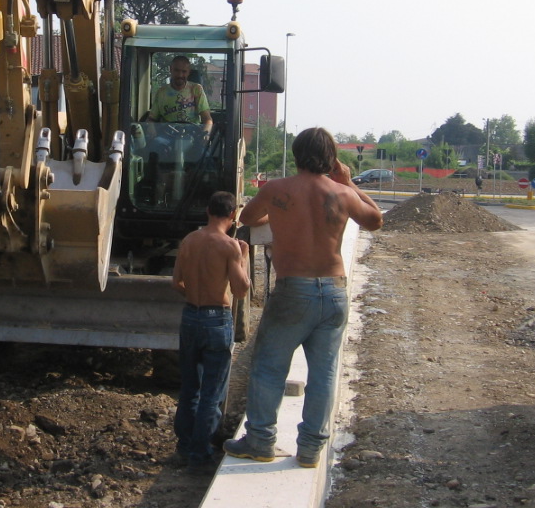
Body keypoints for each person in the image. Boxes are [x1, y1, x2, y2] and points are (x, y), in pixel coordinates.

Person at [223, 127, 383, 468]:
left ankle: (261, 440)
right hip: (333, 290)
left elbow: (248, 217)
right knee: (323, 372)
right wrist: (350, 182)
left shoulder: (278, 189)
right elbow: (375, 221)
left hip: (294, 290)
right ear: (331, 159)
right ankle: (310, 450)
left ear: (296, 154)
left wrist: (279, 217)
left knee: (268, 366)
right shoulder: (341, 193)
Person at [171, 190, 251, 471]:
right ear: (233, 215)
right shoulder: (229, 246)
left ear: (207, 211)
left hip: (190, 316)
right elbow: (241, 290)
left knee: (190, 388)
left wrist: (195, 297)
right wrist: (243, 257)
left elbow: (176, 282)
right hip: (217, 318)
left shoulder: (189, 241)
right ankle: (201, 454)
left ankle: (183, 446)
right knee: (211, 393)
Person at [148, 55, 213, 138]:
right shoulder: (161, 92)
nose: (180, 75)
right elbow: (151, 119)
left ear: (189, 72)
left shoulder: (196, 89)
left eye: (184, 71)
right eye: (176, 70)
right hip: (167, 136)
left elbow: (207, 119)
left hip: (192, 136)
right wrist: (151, 129)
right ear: (170, 69)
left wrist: (205, 134)